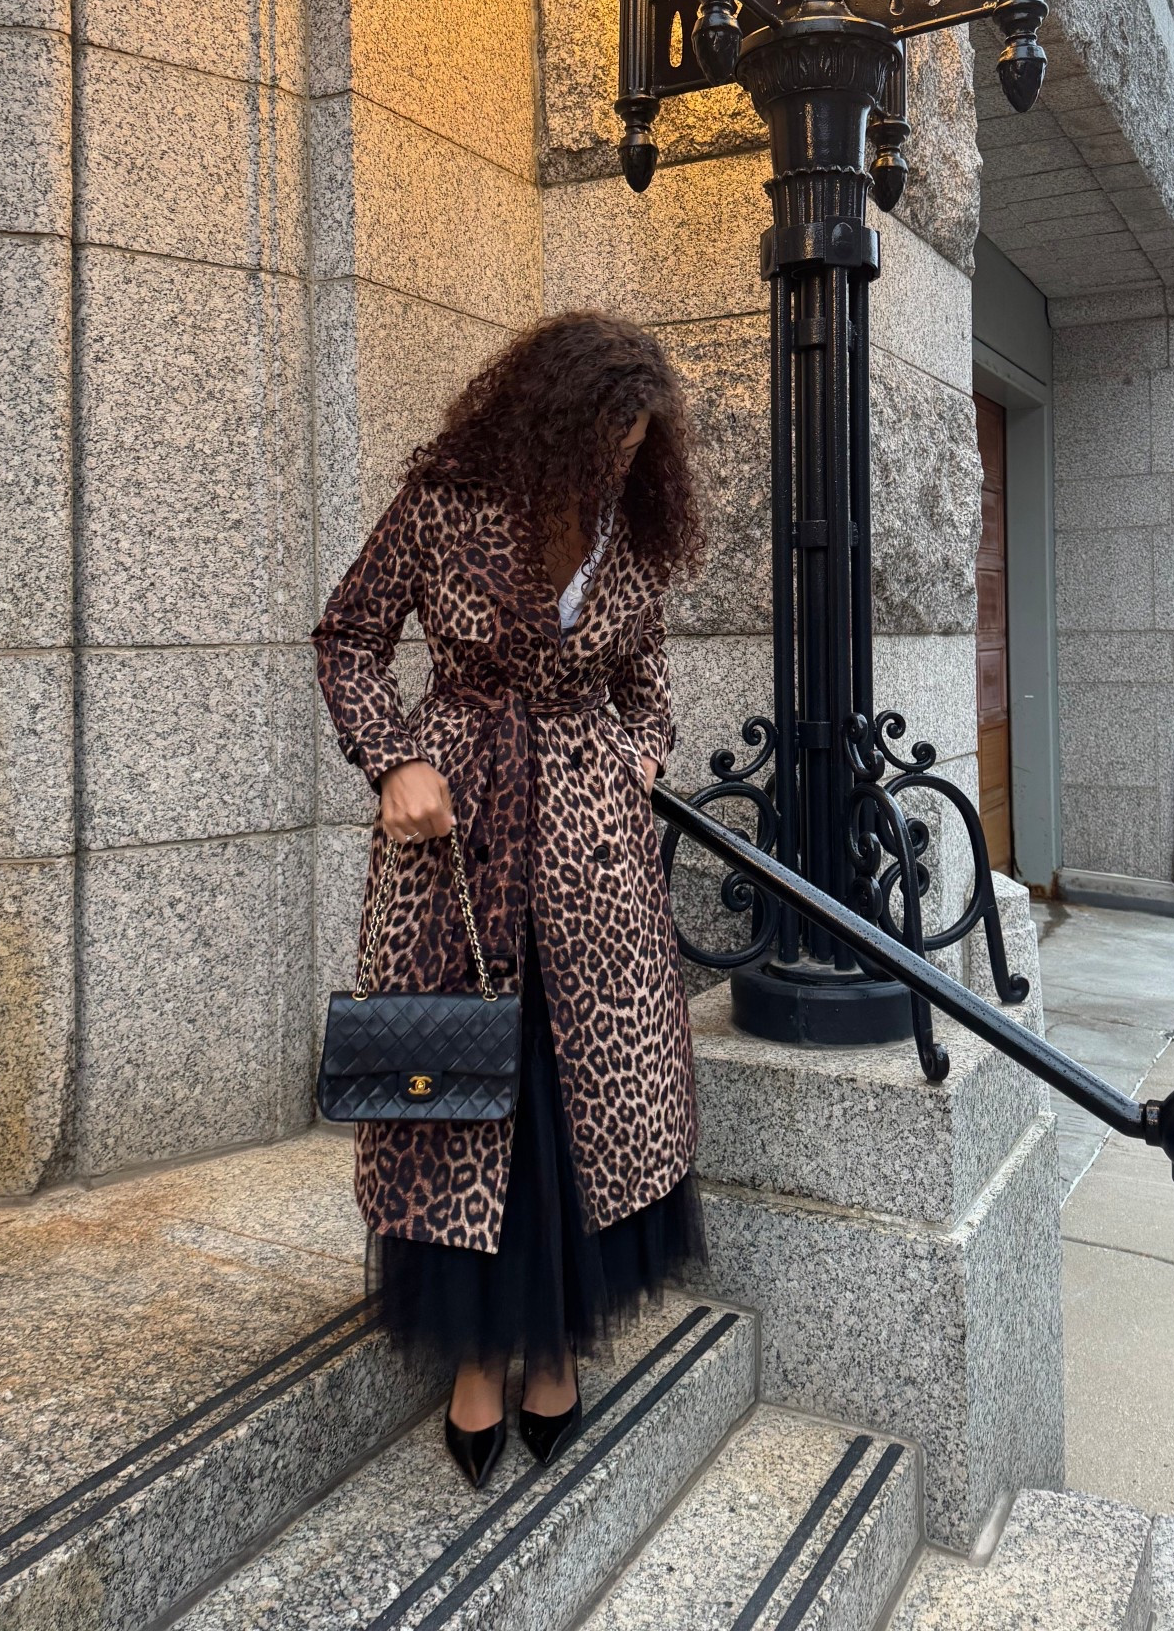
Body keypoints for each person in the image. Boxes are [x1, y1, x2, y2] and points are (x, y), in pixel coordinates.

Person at [312, 312, 706, 1491]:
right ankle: (477, 1350)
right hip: (456, 845)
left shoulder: (629, 530)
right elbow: (348, 636)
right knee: (460, 1084)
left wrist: (640, 754)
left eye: (638, 445)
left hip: (592, 858)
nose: (623, 462)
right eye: (608, 440)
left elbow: (647, 680)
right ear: (553, 418)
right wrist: (395, 758)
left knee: (579, 1093)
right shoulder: (444, 501)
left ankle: (555, 1343)